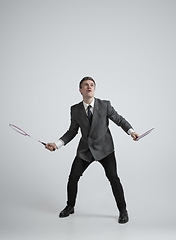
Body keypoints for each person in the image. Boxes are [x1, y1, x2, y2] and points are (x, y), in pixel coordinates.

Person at [45, 76, 139, 224]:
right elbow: (72, 131)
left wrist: (131, 131)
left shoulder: (105, 105)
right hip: (85, 150)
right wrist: (57, 144)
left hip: (105, 149)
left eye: (92, 85)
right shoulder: (75, 109)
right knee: (73, 177)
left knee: (113, 178)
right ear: (80, 90)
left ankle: (123, 210)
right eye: (86, 85)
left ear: (94, 89)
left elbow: (119, 120)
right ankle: (70, 206)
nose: (89, 87)